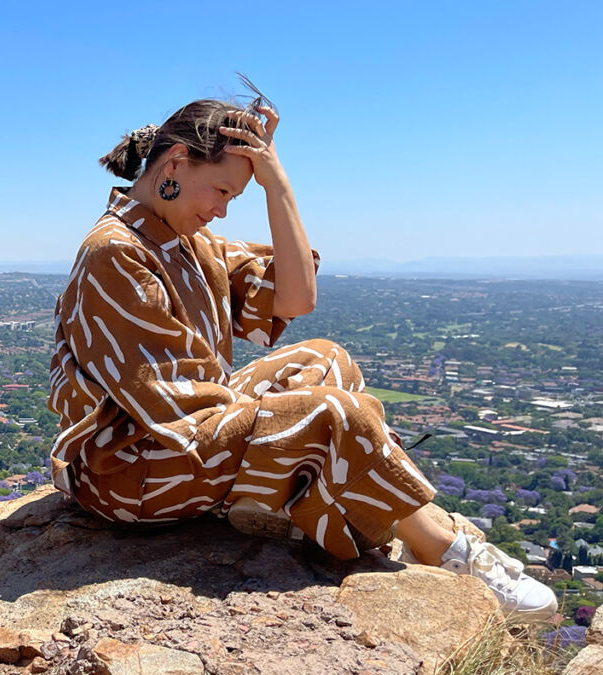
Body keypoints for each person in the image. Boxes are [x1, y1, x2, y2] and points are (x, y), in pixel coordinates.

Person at [46, 83, 556, 622]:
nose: (221, 211)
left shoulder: (187, 244)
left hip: (181, 438)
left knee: (327, 360)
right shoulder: (116, 253)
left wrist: (278, 187)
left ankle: (289, 503)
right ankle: (436, 545)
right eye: (221, 190)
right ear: (175, 163)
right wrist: (297, 422)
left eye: (233, 198)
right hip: (131, 469)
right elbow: (179, 411)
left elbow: (295, 299)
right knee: (333, 411)